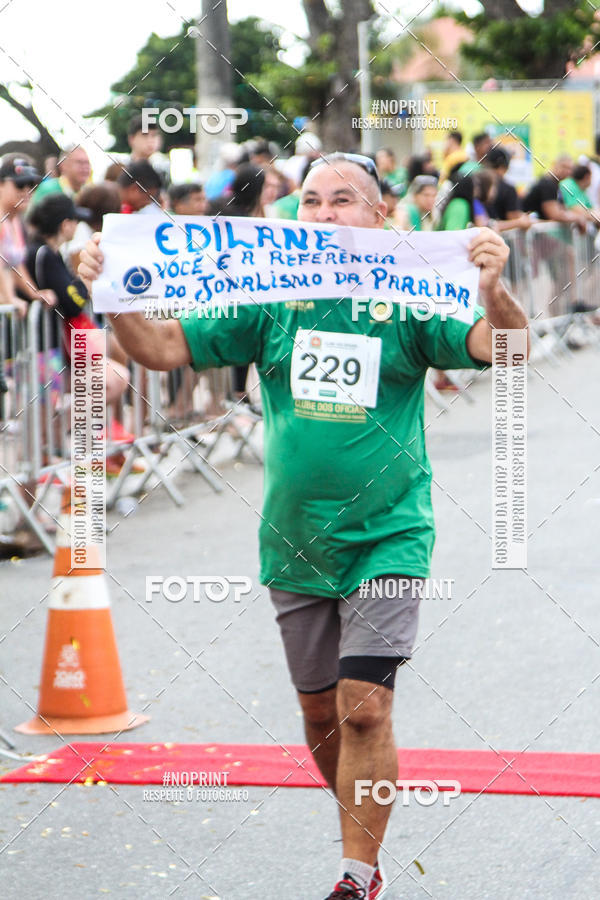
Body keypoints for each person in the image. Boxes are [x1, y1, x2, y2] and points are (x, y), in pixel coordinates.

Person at [80, 150, 529, 900]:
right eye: (311, 201)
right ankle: (366, 828)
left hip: (390, 533)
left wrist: (495, 290)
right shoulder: (269, 296)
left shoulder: (410, 297)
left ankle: (355, 875)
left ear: (380, 214)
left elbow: (506, 352)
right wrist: (114, 292)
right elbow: (160, 348)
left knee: (365, 705)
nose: (323, 214)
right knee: (323, 711)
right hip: (294, 539)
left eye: (343, 200)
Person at [522, 156, 588, 229]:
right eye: (564, 166)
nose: (567, 171)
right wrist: (578, 218)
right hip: (533, 233)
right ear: (554, 164)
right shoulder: (547, 184)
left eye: (570, 169)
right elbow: (554, 214)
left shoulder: (556, 185)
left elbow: (561, 210)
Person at [485, 148, 532, 233]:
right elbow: (513, 216)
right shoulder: (508, 189)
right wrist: (521, 221)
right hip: (500, 239)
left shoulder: (477, 183)